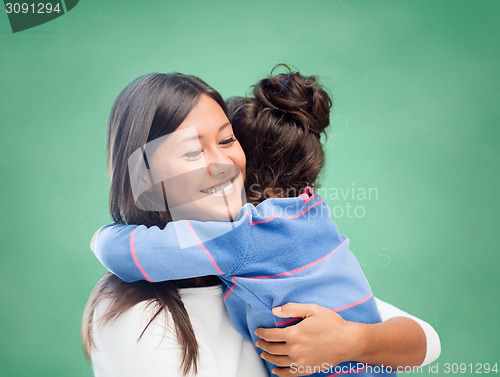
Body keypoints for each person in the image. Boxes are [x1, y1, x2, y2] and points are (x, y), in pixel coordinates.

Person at [82, 71, 440, 377]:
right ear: (143, 177)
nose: (222, 163)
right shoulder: (135, 314)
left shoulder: (250, 245)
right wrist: (357, 343)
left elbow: (426, 340)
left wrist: (353, 340)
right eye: (193, 151)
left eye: (226, 140)